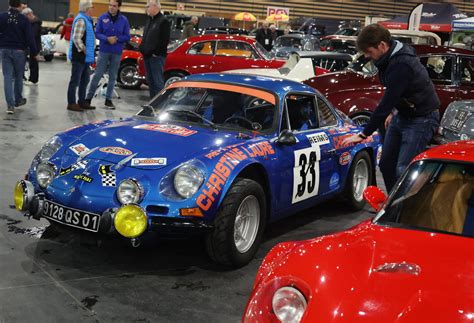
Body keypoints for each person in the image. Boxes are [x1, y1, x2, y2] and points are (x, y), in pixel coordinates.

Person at [343, 24, 440, 192]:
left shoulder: (402, 64)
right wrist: (394, 111)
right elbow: (397, 93)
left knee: (404, 169)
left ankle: (405, 211)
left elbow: (388, 99)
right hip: (403, 114)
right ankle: (392, 206)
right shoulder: (388, 58)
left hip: (421, 119)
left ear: (382, 45)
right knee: (386, 164)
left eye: (369, 51)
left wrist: (363, 134)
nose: (367, 56)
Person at [84, 0, 130, 109]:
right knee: (97, 74)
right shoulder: (102, 17)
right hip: (104, 51)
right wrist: (107, 38)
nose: (111, 7)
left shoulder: (124, 20)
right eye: (110, 5)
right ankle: (88, 98)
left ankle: (108, 100)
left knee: (113, 77)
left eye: (114, 6)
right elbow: (97, 33)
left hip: (117, 52)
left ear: (118, 7)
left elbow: (127, 36)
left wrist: (117, 39)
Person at [0, 0, 38, 114]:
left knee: (7, 77)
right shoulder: (23, 19)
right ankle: (18, 100)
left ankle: (10, 105)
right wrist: (34, 52)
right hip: (19, 51)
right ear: (20, 6)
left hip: (5, 50)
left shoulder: (2, 17)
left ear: (9, 4)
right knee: (18, 77)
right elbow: (30, 38)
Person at [66, 0, 96, 112]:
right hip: (79, 56)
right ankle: (71, 103)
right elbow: (76, 38)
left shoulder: (87, 20)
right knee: (75, 81)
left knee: (85, 80)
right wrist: (84, 50)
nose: (93, 9)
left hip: (85, 58)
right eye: (92, 7)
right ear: (87, 9)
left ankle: (82, 101)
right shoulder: (81, 20)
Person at [139, 0, 170, 98]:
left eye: (148, 6)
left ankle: (159, 105)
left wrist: (156, 53)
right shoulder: (149, 20)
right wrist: (142, 48)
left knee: (157, 82)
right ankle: (152, 103)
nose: (146, 8)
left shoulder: (164, 21)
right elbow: (146, 36)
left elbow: (164, 40)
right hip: (147, 55)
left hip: (156, 57)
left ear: (155, 7)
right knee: (150, 81)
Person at [22, 8, 42, 85]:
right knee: (32, 63)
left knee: (33, 63)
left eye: (25, 16)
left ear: (29, 14)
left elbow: (33, 34)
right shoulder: (33, 22)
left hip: (35, 46)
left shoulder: (35, 23)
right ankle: (32, 79)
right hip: (33, 45)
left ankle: (33, 80)